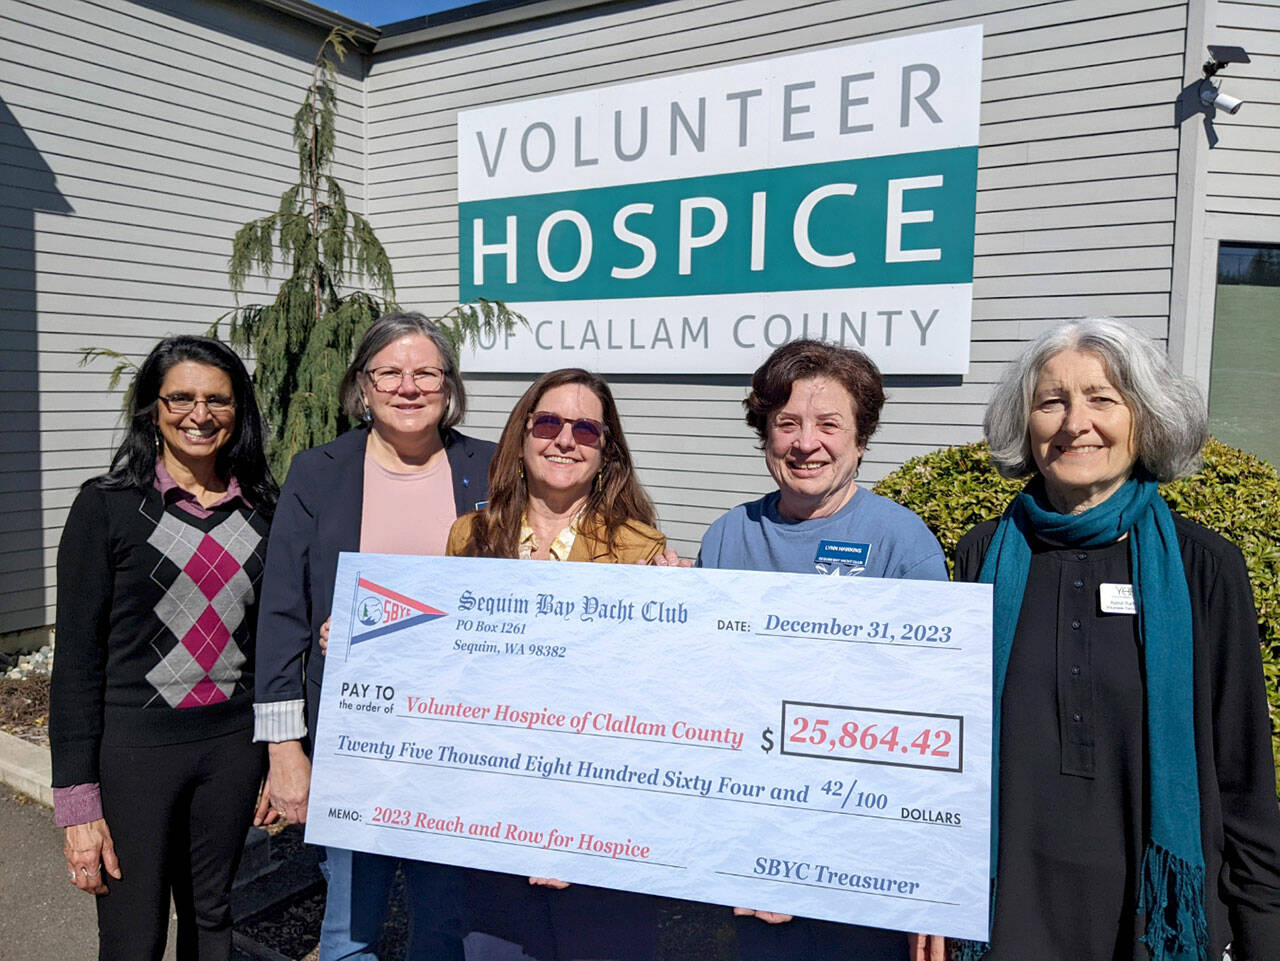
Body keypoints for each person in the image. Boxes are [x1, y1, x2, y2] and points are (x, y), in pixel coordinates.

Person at [945, 317, 1280, 961]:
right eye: (1052, 401)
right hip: (1009, 909)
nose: (1076, 423)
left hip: (1154, 920)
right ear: (1026, 423)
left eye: (1103, 398)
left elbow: (1243, 770)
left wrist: (1262, 926)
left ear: (1145, 419)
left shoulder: (1202, 566)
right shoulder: (982, 556)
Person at [253, 312, 495, 961]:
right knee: (347, 934)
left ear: (449, 386)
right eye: (390, 371)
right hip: (354, 739)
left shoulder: (491, 469)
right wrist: (285, 750)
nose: (408, 385)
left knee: (443, 930)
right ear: (363, 384)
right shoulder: (319, 472)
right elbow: (280, 615)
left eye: (426, 372)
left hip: (457, 741)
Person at [696, 339, 947, 961]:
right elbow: (705, 697)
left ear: (861, 440)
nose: (806, 443)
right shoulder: (729, 536)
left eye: (829, 424)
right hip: (750, 837)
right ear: (766, 435)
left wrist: (928, 883)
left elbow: (930, 719)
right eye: (787, 423)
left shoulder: (901, 544)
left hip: (860, 849)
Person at [50, 335, 277, 961]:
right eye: (180, 397)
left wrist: (278, 755)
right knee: (132, 932)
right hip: (134, 756)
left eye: (218, 401)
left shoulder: (264, 510)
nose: (199, 415)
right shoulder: (107, 507)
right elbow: (74, 665)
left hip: (231, 748)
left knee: (212, 919)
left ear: (239, 413)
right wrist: (77, 805)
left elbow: (270, 643)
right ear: (152, 408)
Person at [447, 367, 669, 961]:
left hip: (599, 814)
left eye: (587, 430)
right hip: (494, 804)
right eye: (547, 422)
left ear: (607, 452)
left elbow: (647, 705)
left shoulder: (641, 551)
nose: (565, 440)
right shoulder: (468, 537)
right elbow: (450, 670)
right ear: (521, 435)